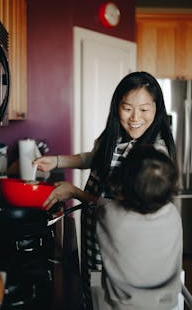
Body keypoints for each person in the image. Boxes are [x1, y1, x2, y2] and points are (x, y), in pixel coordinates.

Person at [33, 71, 177, 310]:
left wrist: (75, 192)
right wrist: (57, 161)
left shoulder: (154, 155)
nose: (134, 118)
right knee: (92, 291)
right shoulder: (115, 134)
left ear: (157, 109)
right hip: (94, 228)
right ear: (116, 106)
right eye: (127, 108)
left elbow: (127, 213)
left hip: (121, 242)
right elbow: (96, 157)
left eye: (144, 109)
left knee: (108, 299)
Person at [95, 144, 182, 310]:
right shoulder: (172, 213)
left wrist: (75, 192)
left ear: (123, 186)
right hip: (166, 305)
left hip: (123, 306)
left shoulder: (111, 215)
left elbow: (100, 206)